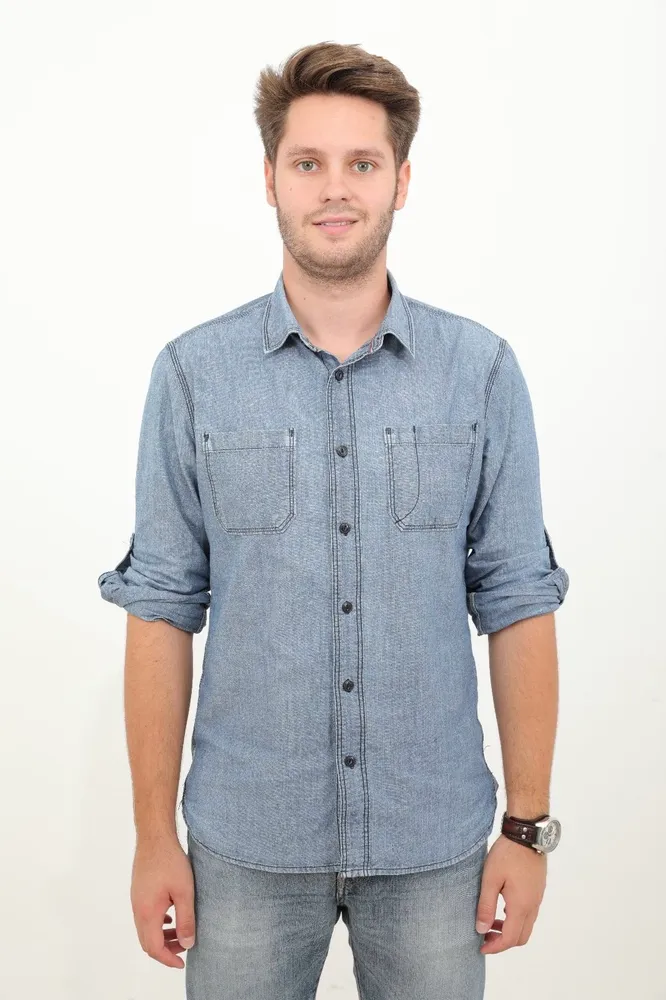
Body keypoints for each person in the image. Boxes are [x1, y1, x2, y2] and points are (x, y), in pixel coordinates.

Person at [98, 39, 569, 1000]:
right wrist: (153, 837)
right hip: (244, 848)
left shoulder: (480, 373)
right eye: (308, 162)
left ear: (403, 179)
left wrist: (526, 830)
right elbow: (161, 610)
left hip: (435, 845)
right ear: (269, 177)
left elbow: (519, 600)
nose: (335, 189)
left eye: (363, 162)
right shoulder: (192, 376)